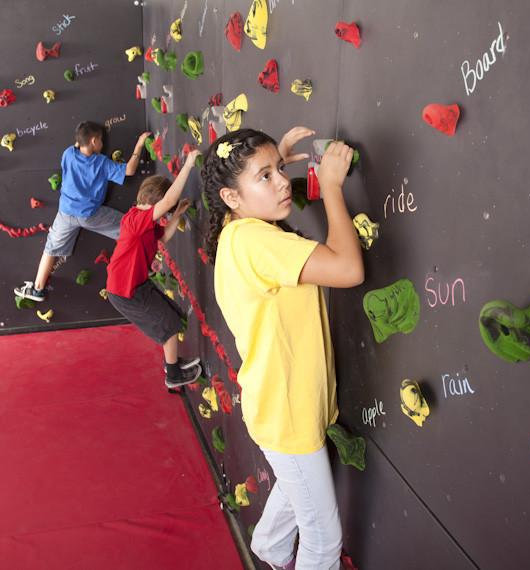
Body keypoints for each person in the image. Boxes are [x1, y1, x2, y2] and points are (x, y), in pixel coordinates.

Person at [202, 127, 364, 570]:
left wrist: (272, 163)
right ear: (231, 197)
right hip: (286, 410)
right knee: (323, 539)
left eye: (279, 171)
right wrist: (330, 186)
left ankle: (270, 547)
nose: (281, 184)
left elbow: (253, 186)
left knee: (299, 492)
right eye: (265, 177)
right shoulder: (258, 241)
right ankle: (274, 548)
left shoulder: (237, 235)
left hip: (276, 403)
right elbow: (348, 268)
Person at [14, 121, 151, 302]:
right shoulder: (101, 163)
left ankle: (37, 288)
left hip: (65, 213)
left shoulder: (68, 154)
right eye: (100, 140)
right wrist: (140, 144)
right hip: (89, 215)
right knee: (128, 228)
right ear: (94, 141)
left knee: (50, 249)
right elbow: (130, 170)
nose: (102, 143)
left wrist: (80, 142)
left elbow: (78, 145)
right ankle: (149, 249)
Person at [105, 149, 202, 389]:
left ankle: (174, 364)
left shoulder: (144, 223)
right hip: (125, 290)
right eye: (163, 208)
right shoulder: (136, 220)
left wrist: (177, 215)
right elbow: (168, 200)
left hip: (135, 285)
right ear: (153, 204)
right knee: (167, 324)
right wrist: (188, 165)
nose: (165, 212)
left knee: (170, 317)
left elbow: (164, 237)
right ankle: (173, 374)